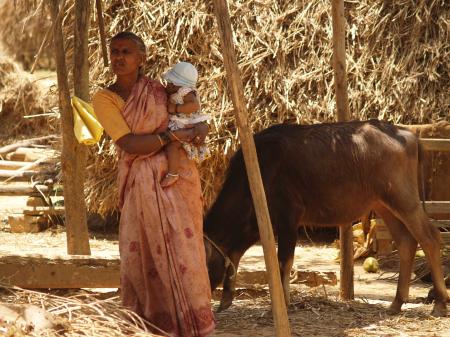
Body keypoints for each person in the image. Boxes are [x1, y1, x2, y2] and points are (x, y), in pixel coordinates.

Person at [92, 31, 215, 337]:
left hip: (178, 181)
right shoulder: (104, 98)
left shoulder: (159, 91)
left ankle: (193, 324)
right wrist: (173, 138)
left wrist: (201, 126)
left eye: (126, 52)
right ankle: (154, 325)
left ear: (141, 58)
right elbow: (130, 143)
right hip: (141, 184)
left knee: (186, 251)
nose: (119, 57)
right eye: (114, 51)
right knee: (145, 253)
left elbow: (190, 112)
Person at [161, 62, 210, 187]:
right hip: (181, 122)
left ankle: (173, 174)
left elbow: (194, 106)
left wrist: (176, 108)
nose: (168, 85)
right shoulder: (177, 91)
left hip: (187, 124)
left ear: (178, 84)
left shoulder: (185, 91)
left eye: (171, 83)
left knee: (172, 146)